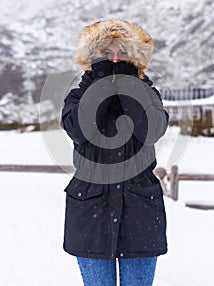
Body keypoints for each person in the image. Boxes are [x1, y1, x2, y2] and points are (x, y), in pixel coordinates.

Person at [60, 19, 169, 286]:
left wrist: (129, 84)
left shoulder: (148, 94)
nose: (115, 60)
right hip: (90, 212)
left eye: (122, 54)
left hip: (140, 213)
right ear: (93, 58)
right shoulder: (76, 97)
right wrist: (101, 82)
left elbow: (151, 130)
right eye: (107, 54)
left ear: (135, 59)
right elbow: (81, 129)